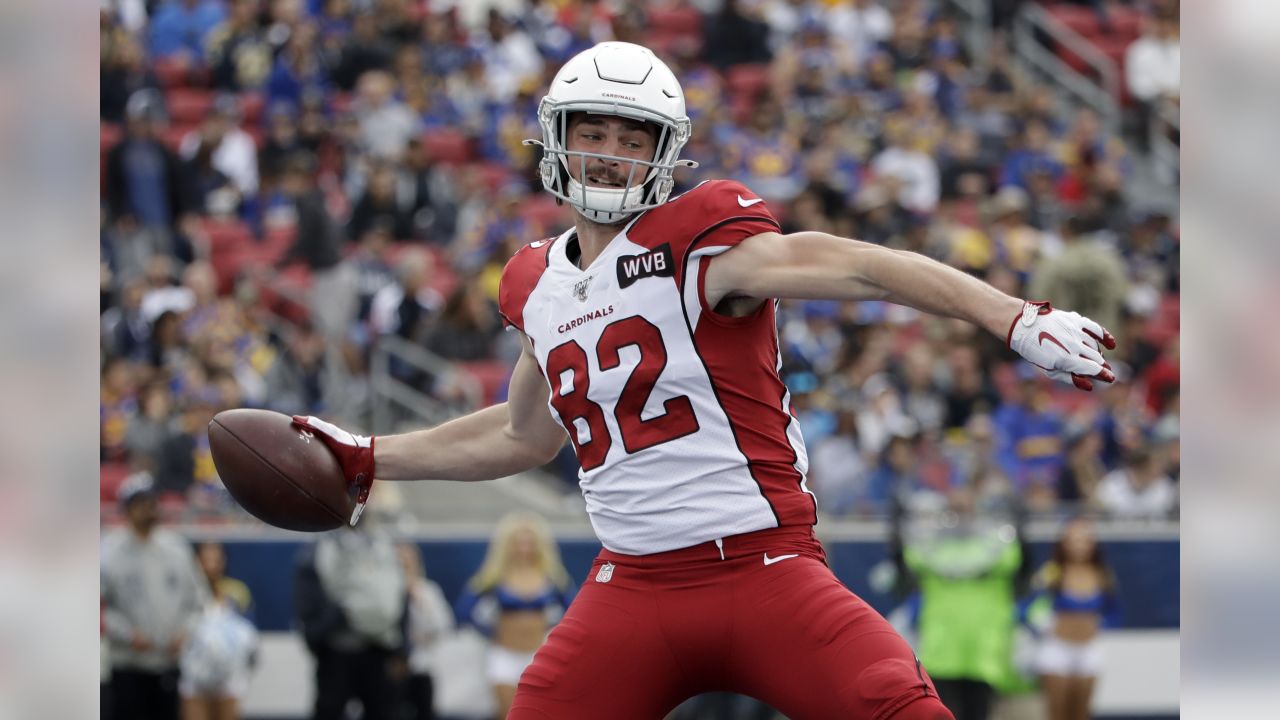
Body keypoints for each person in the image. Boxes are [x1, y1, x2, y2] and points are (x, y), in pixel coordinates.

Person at [291, 42, 1117, 719]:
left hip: (766, 571)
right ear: (555, 136)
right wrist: (370, 455)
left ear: (664, 154)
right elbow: (520, 434)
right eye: (593, 131)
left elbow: (862, 268)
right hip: (632, 586)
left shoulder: (701, 237)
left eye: (630, 137)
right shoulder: (535, 283)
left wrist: (1012, 316)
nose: (608, 155)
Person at [101, 472, 209, 720]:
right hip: (128, 664)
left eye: (152, 501)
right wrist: (127, 633)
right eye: (141, 502)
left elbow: (197, 600)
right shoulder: (109, 553)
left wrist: (185, 631)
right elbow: (97, 607)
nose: (149, 508)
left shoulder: (177, 549)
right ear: (127, 509)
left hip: (169, 662)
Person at [455, 513, 576, 720]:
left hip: (539, 656)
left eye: (530, 541)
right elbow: (463, 611)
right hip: (504, 655)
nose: (524, 547)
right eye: (518, 541)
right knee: (508, 714)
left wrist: (552, 631)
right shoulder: (494, 577)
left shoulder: (553, 577)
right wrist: (489, 631)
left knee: (540, 713)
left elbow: (574, 612)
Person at [1027, 517, 1120, 720]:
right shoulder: (1052, 572)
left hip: (1088, 650)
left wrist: (1100, 624)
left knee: (1081, 713)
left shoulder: (1102, 575)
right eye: (1073, 539)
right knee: (1057, 713)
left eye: (1084, 539)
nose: (1079, 545)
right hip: (1057, 649)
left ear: (1092, 543)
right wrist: (1046, 624)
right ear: (1064, 542)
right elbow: (1028, 608)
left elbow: (1114, 613)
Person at [180, 542, 258, 720]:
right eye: (206, 559)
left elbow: (248, 632)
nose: (212, 565)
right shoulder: (188, 592)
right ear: (197, 561)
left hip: (228, 676)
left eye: (216, 559)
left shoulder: (236, 591)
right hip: (194, 675)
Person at [398, 543, 455, 720]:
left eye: (408, 561)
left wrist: (421, 603)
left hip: (422, 665)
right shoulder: (385, 591)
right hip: (391, 667)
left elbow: (444, 625)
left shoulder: (429, 591)